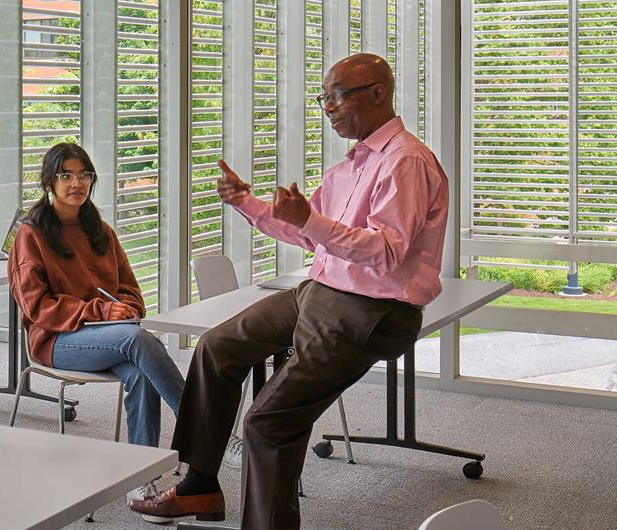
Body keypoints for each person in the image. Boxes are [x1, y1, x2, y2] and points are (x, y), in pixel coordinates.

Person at [131, 53, 448, 529]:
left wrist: (311, 220)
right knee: (217, 347)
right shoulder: (352, 165)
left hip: (371, 309)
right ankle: (199, 488)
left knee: (269, 423)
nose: (328, 107)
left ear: (379, 93)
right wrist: (248, 203)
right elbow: (307, 234)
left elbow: (386, 252)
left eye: (337, 95)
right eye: (324, 97)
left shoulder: (405, 162)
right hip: (320, 290)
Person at [8, 142, 185, 508]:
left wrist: (122, 308)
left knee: (141, 371)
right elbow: (36, 305)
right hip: (56, 340)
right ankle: (201, 422)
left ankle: (141, 476)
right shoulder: (32, 233)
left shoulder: (101, 230)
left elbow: (132, 293)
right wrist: (101, 311)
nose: (77, 183)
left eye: (84, 175)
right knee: (138, 341)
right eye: (66, 175)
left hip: (110, 337)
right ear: (48, 182)